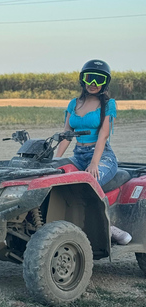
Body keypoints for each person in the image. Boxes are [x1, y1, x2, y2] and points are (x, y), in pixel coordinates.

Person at [55, 59, 132, 245]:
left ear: (104, 82)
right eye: (90, 78)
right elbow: (67, 135)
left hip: (102, 156)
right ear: (83, 80)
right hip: (78, 156)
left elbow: (103, 136)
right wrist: (54, 161)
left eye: (99, 80)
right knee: (54, 179)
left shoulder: (108, 104)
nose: (94, 84)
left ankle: (109, 226)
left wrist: (94, 163)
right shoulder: (74, 103)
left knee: (88, 184)